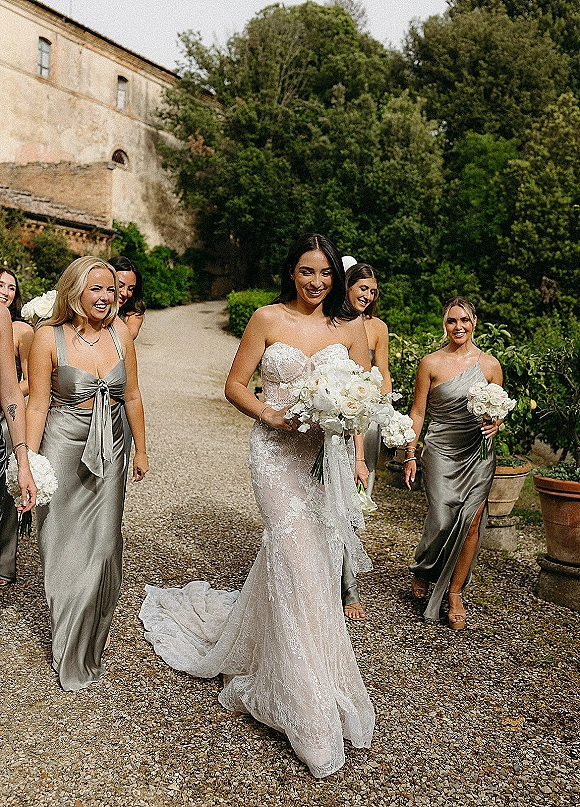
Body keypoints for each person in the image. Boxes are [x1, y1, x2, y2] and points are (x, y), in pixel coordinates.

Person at [140, 233, 375, 778]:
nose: (316, 283)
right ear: (290, 272)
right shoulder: (268, 319)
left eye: (324, 274)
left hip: (321, 461)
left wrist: (355, 448)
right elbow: (234, 384)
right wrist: (267, 416)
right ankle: (309, 713)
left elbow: (365, 397)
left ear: (335, 278)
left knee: (311, 569)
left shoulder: (350, 328)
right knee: (294, 555)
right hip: (274, 457)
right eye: (305, 272)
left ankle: (310, 678)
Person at [26, 256, 148, 690]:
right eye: (96, 289)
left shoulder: (120, 335)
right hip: (63, 444)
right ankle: (68, 643)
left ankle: (87, 639)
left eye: (111, 290)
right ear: (74, 290)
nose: (105, 297)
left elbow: (131, 395)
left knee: (103, 546)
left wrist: (141, 450)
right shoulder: (47, 338)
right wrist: (29, 464)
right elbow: (37, 403)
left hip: (113, 445)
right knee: (60, 547)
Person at [403, 296, 502, 629]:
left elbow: (497, 411)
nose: (458, 327)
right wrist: (410, 453)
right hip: (441, 448)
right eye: (451, 321)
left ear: (474, 322)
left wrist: (495, 423)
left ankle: (455, 591)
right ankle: (424, 568)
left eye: (465, 320)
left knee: (472, 521)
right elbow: (418, 412)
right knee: (443, 516)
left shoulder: (490, 365)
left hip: (479, 451)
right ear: (444, 324)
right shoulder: (430, 363)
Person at [340, 260, 392, 620]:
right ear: (347, 286)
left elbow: (383, 372)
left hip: (366, 420)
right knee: (332, 499)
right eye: (362, 288)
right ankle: (346, 585)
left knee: (356, 499)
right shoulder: (333, 321)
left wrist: (386, 410)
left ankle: (341, 573)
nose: (368, 296)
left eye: (373, 291)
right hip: (335, 416)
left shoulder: (378, 328)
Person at [0, 269, 34, 586]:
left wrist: (23, 460)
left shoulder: (12, 324)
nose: (5, 291)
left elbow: (16, 388)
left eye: (11, 287)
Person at [108, 256, 145, 340]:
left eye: (130, 289)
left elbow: (125, 339)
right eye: (120, 285)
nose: (125, 293)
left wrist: (112, 311)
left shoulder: (133, 315)